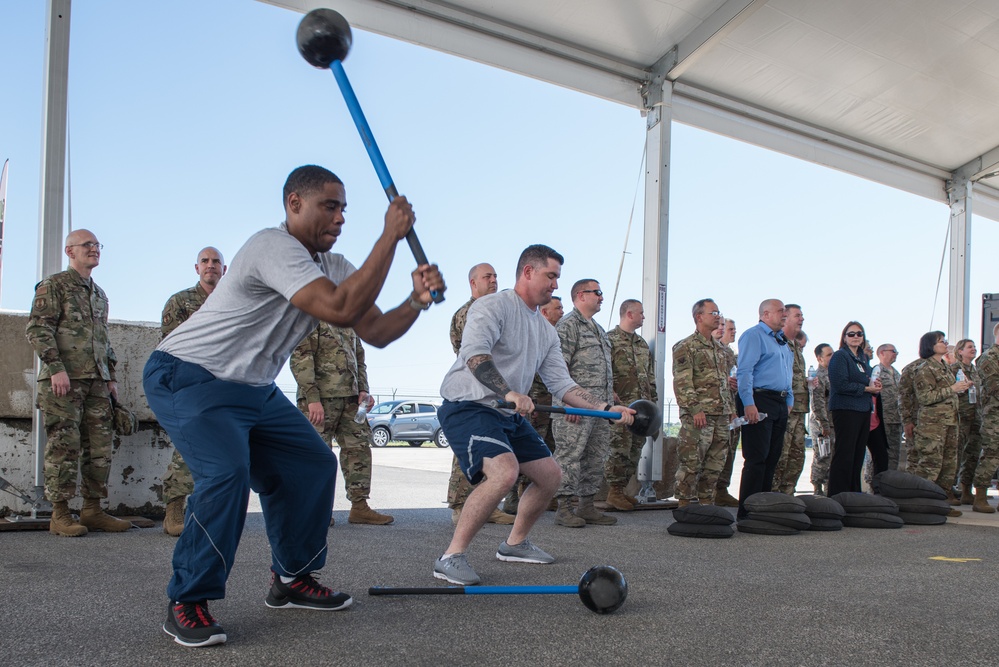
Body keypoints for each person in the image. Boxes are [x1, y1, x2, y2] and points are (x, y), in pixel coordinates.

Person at [142, 165, 445, 648]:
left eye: (345, 207)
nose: (341, 216)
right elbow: (341, 308)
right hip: (189, 372)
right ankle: (187, 598)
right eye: (330, 205)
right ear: (294, 204)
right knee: (226, 475)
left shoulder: (334, 266)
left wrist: (414, 299)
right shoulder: (271, 246)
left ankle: (291, 578)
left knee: (313, 464)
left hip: (252, 388)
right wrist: (391, 236)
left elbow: (378, 332)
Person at [434, 245, 634, 585]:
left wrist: (604, 408)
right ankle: (450, 557)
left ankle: (514, 544)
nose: (556, 285)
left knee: (551, 476)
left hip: (507, 414)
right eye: (551, 276)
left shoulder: (544, 331)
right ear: (528, 272)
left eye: (558, 277)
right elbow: (475, 356)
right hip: (469, 406)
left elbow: (562, 383)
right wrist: (509, 392)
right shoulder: (492, 307)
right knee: (504, 473)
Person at [25, 229, 132, 538]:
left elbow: (103, 340)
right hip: (64, 381)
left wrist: (109, 376)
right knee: (64, 447)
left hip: (96, 382)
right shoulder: (54, 286)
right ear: (69, 251)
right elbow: (38, 329)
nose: (94, 249)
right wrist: (56, 368)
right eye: (87, 245)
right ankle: (59, 514)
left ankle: (92, 510)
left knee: (99, 448)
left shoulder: (99, 295)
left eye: (97, 245)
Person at [290, 323, 393, 526]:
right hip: (320, 399)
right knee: (318, 455)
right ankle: (317, 510)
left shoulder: (348, 321)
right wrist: (312, 398)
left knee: (359, 449)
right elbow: (301, 357)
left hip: (351, 399)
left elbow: (359, 359)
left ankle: (359, 507)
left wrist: (363, 389)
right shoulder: (310, 317)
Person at [159, 246, 227, 537]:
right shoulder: (181, 302)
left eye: (216, 262)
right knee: (188, 444)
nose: (210, 266)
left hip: (225, 384)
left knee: (223, 448)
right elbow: (170, 346)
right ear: (197, 268)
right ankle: (174, 507)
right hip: (190, 383)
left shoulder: (232, 302)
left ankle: (208, 511)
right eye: (205, 261)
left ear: (224, 270)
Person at [446, 262, 513, 526]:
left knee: (491, 449)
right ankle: (461, 505)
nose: (494, 280)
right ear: (473, 283)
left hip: (496, 393)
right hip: (474, 393)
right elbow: (473, 353)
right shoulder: (468, 313)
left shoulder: (496, 310)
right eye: (488, 276)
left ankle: (486, 505)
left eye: (496, 276)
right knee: (470, 449)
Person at [552, 279, 618, 526]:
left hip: (600, 409)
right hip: (574, 407)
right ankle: (564, 508)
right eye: (597, 292)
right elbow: (557, 368)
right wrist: (565, 402)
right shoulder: (568, 325)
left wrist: (611, 400)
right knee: (569, 456)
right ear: (581, 295)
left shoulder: (599, 329)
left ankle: (587, 505)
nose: (601, 297)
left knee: (596, 456)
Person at [671, 299, 735, 507]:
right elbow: (683, 382)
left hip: (721, 415)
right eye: (713, 313)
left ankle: (707, 503)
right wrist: (695, 409)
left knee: (715, 463)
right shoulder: (686, 346)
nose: (718, 316)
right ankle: (684, 504)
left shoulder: (722, 350)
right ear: (699, 317)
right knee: (691, 461)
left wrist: (731, 410)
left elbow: (725, 384)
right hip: (699, 416)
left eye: (718, 312)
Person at [503, 295, 564, 515]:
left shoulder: (554, 336)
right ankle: (511, 497)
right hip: (530, 404)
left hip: (551, 403)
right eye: (558, 308)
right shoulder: (529, 332)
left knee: (546, 449)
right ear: (545, 312)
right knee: (522, 451)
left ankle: (531, 494)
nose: (562, 311)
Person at [734, 299, 793, 519]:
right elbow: (745, 371)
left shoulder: (781, 341)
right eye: (780, 311)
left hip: (779, 402)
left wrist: (789, 400)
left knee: (772, 458)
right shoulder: (754, 335)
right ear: (765, 314)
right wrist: (748, 402)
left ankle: (763, 509)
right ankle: (748, 511)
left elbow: (787, 373)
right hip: (759, 399)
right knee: (757, 459)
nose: (784, 314)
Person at [909, 331, 972, 515]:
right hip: (933, 426)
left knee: (948, 465)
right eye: (941, 341)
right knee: (931, 465)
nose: (945, 344)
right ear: (930, 345)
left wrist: (960, 388)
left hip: (950, 422)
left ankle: (941, 503)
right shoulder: (925, 369)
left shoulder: (944, 367)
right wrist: (952, 388)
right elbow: (925, 397)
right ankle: (920, 505)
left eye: (945, 341)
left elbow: (947, 392)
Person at [605, 299, 658, 511]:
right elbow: (604, 373)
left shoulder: (642, 344)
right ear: (629, 314)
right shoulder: (609, 340)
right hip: (621, 406)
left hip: (642, 408)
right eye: (641, 313)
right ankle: (614, 491)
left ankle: (623, 490)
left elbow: (649, 376)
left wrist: (652, 402)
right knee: (619, 449)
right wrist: (610, 395)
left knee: (636, 449)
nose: (643, 317)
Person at [826, 322, 885, 496]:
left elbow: (866, 379)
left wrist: (874, 384)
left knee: (857, 455)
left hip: (862, 409)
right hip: (845, 410)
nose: (856, 337)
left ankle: (853, 494)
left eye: (859, 334)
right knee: (845, 453)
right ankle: (838, 494)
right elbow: (840, 384)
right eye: (851, 334)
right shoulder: (840, 356)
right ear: (844, 337)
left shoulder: (862, 359)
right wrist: (867, 389)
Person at [773, 305, 808, 495]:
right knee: (781, 455)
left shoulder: (796, 346)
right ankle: (773, 495)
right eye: (798, 315)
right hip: (785, 408)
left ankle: (788, 493)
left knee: (796, 456)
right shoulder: (779, 343)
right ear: (785, 318)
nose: (802, 318)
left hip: (799, 410)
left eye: (802, 315)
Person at [970, 323, 999, 513]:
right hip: (995, 416)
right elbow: (993, 386)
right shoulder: (989, 358)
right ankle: (979, 497)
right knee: (991, 455)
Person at [951, 338, 982, 504]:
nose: (974, 349)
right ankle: (949, 489)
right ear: (960, 351)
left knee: (973, 454)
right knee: (956, 453)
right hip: (961, 417)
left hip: (976, 417)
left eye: (975, 347)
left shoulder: (975, 371)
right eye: (970, 347)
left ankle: (966, 489)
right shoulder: (954, 369)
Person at [713, 318, 740, 507]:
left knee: (729, 451)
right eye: (728, 328)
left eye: (732, 328)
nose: (732, 331)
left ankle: (722, 489)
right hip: (717, 409)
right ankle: (709, 490)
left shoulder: (731, 354)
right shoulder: (714, 350)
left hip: (733, 408)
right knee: (715, 452)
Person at [808, 343, 834, 495]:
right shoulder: (819, 376)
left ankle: (829, 488)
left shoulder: (834, 375)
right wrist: (823, 424)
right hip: (822, 423)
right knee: (823, 456)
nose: (832, 357)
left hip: (833, 422)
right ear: (819, 358)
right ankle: (817, 487)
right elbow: (817, 403)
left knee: (832, 456)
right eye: (829, 355)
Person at [874, 344, 904, 472]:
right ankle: (873, 484)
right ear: (882, 353)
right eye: (893, 351)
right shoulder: (876, 371)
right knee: (878, 454)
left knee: (894, 455)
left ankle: (890, 483)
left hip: (896, 419)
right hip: (882, 419)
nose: (896, 354)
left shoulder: (897, 373)